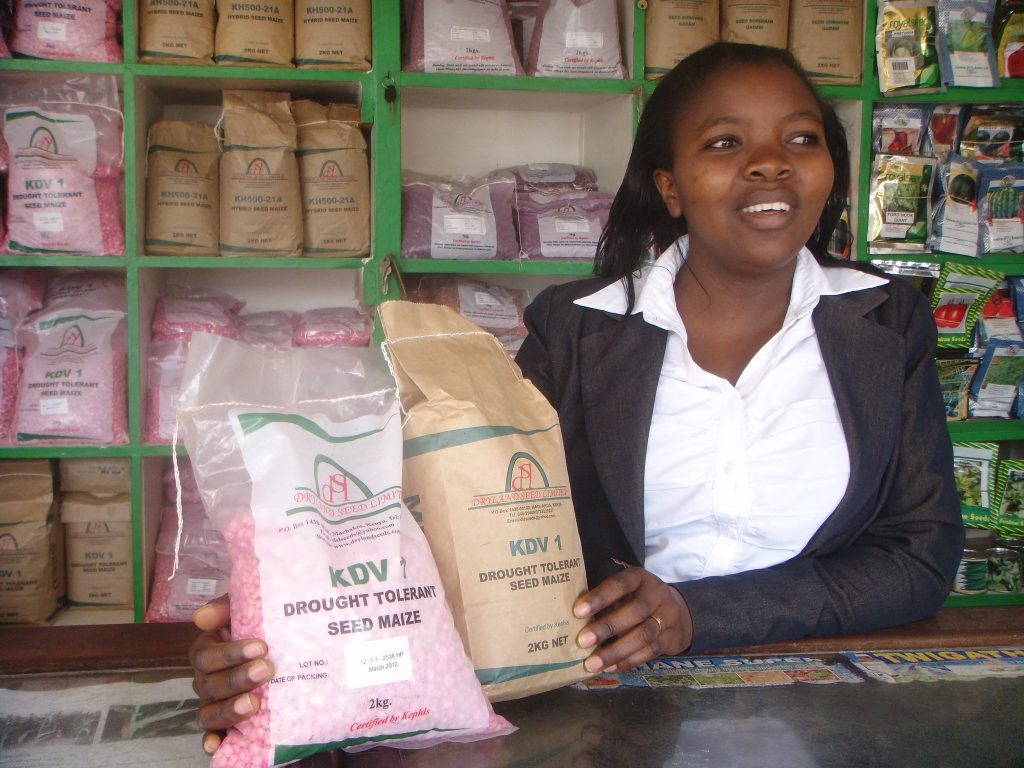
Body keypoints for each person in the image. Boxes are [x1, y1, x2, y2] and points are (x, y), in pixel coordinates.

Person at [188, 42, 964, 752]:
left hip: (824, 708)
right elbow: (470, 521)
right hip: (620, 715)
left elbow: (918, 556)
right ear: (669, 185)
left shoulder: (886, 321)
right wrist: (291, 638)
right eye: (726, 144)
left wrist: (700, 616)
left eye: (801, 139)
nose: (771, 164)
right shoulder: (579, 329)